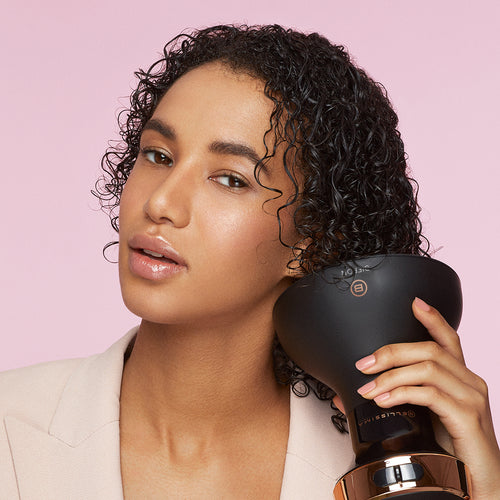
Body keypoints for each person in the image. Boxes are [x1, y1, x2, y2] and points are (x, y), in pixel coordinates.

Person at [0, 24, 499, 499]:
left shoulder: (385, 473)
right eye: (158, 155)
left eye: (230, 179)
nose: (161, 204)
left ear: (311, 239)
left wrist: (487, 491)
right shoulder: (10, 427)